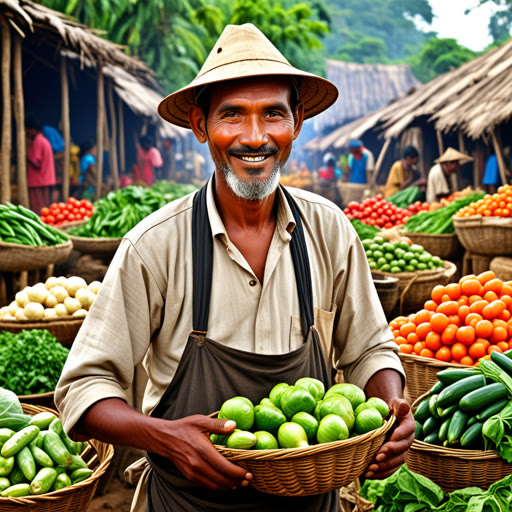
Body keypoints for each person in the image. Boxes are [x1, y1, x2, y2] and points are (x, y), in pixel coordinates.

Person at [55, 23, 414, 512]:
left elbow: (370, 347)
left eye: (273, 114)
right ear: (201, 126)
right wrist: (166, 438)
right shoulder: (154, 246)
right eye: (232, 116)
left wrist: (391, 406)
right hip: (188, 503)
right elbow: (84, 386)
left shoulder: (329, 231)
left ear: (298, 121)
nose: (254, 137)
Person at [25, 115, 56, 214]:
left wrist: (26, 156)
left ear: (33, 129)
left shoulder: (37, 142)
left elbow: (36, 162)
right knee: (45, 209)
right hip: (46, 180)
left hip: (38, 181)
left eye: (27, 130)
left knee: (38, 210)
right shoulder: (44, 141)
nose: (26, 133)